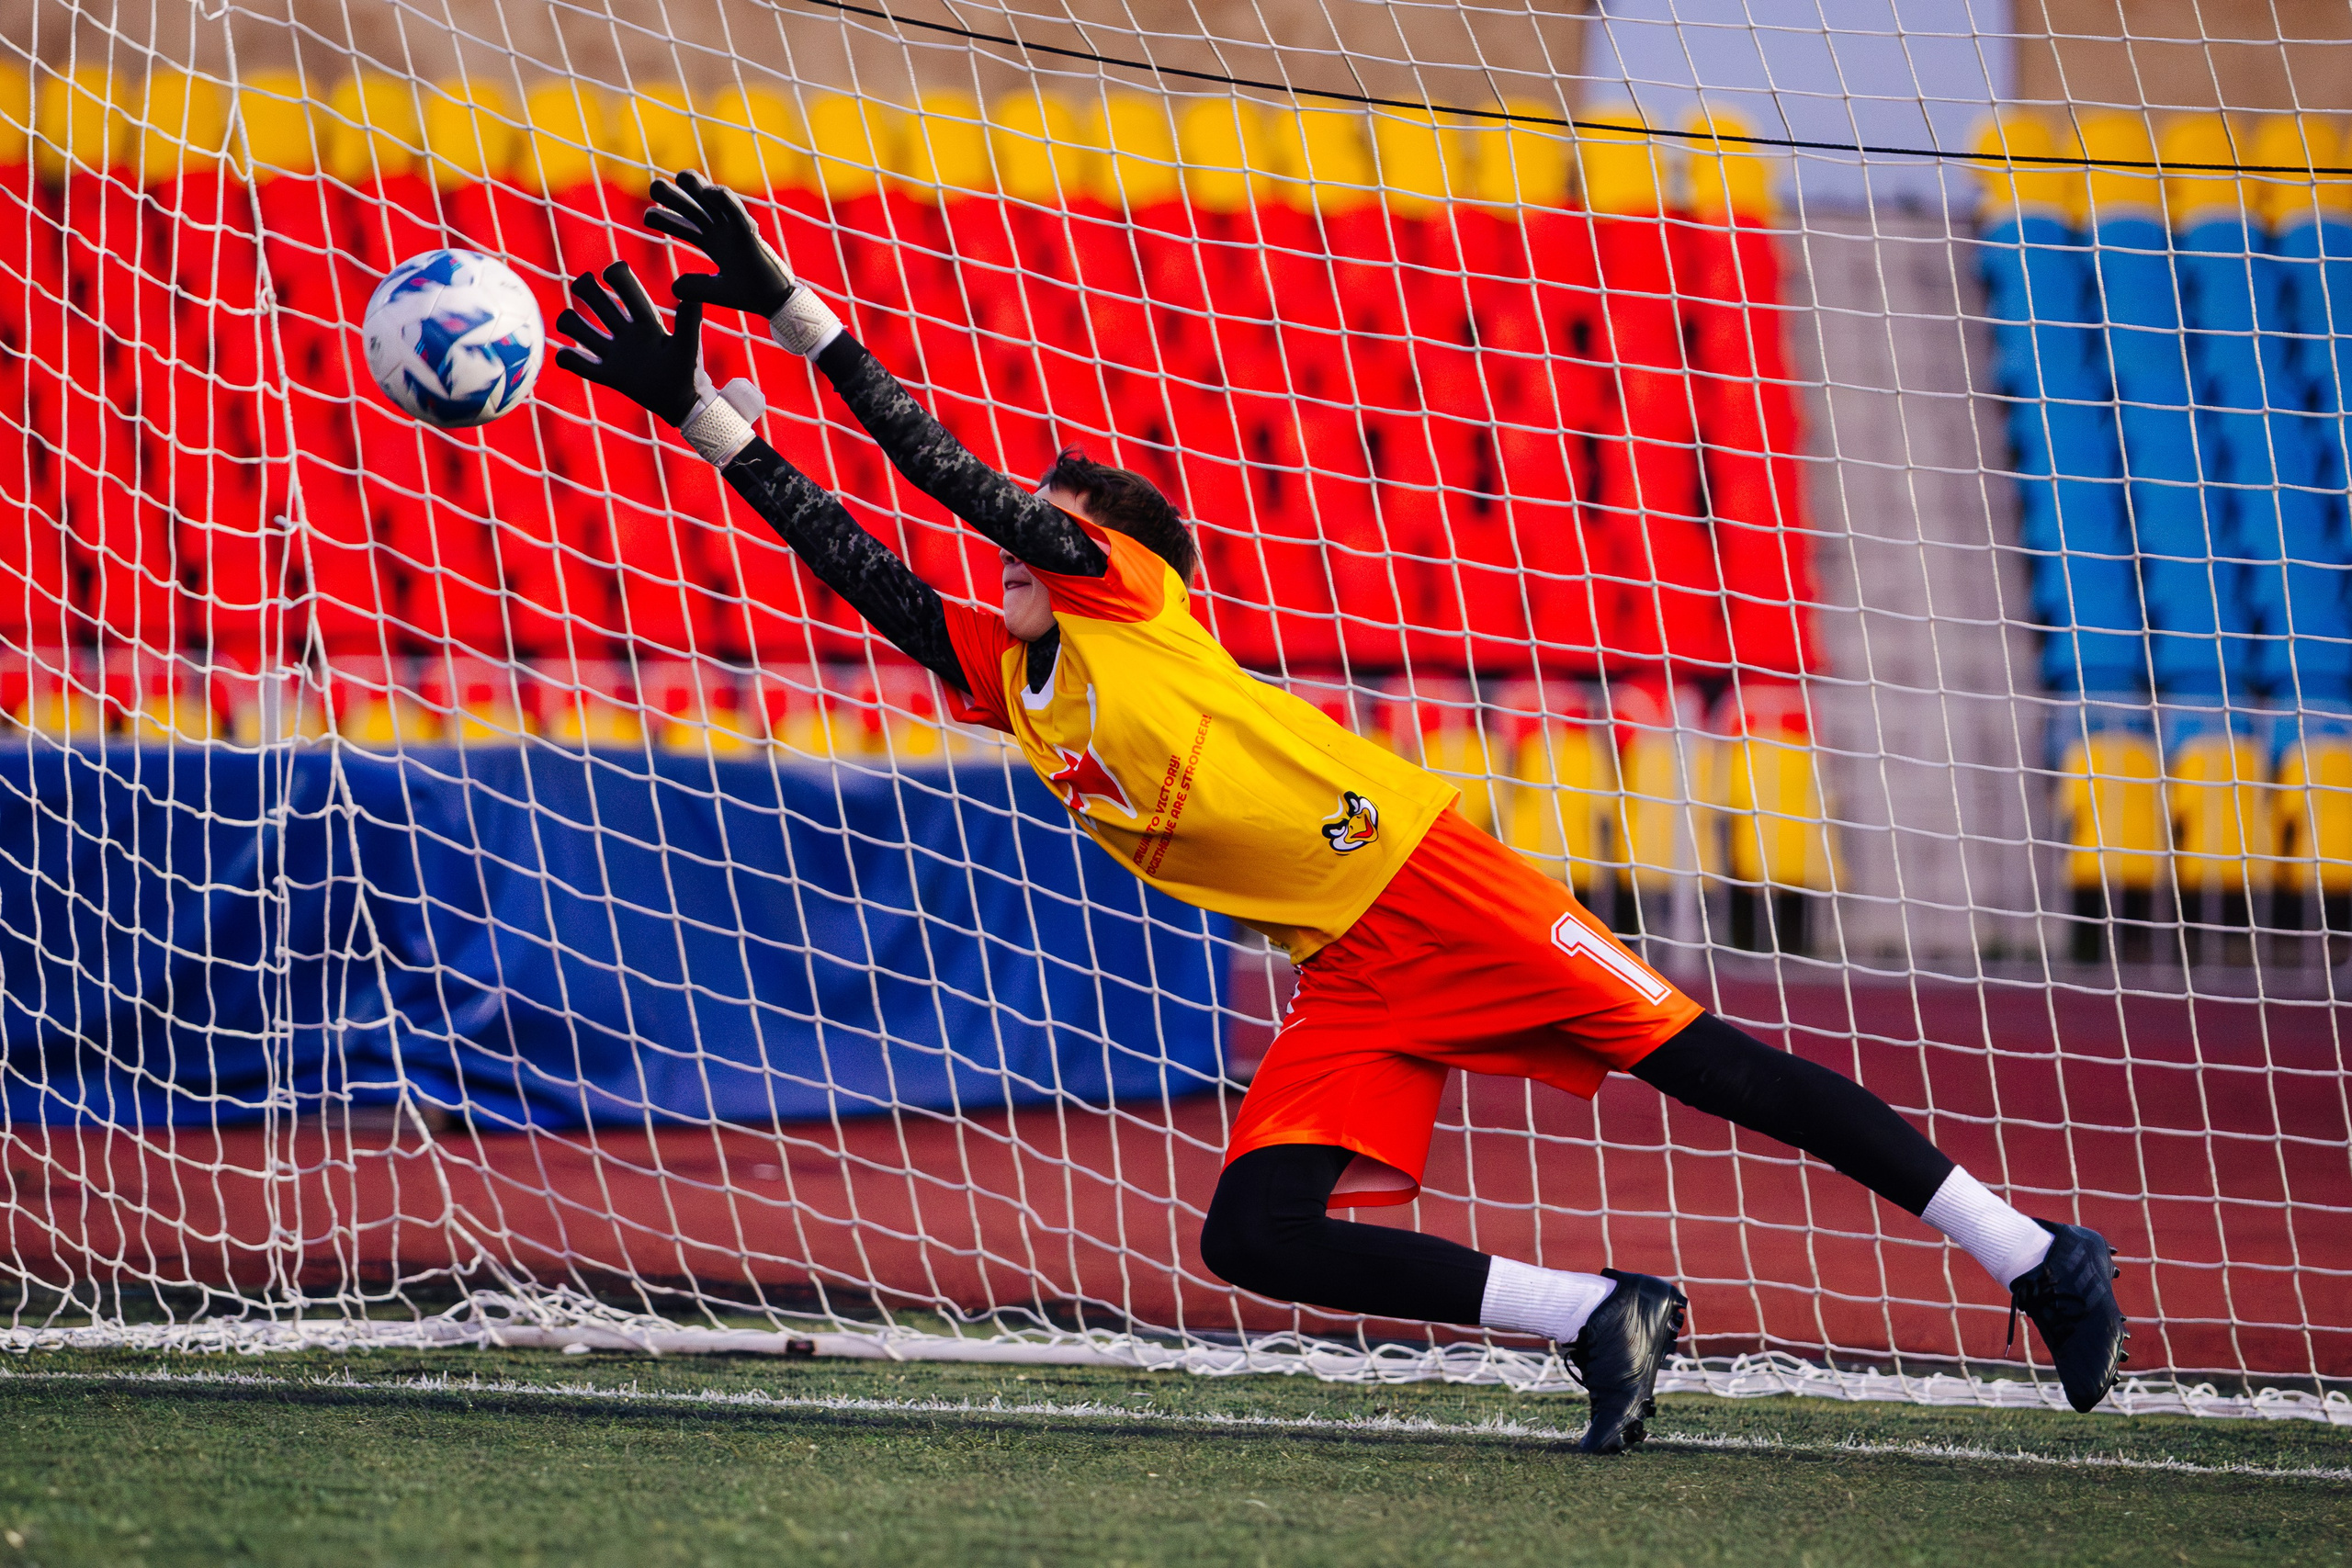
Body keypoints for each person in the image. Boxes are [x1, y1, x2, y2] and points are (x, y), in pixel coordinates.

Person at [552, 171, 2129, 1452]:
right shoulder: (1015, 671)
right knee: (1257, 1234)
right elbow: (866, 563)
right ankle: (1594, 1315)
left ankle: (2031, 1252)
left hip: (1434, 885)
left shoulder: (1130, 601)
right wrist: (697, 410)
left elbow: (945, 478)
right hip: (1350, 963)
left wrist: (790, 309)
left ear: (1105, 553)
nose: (1020, 547)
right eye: (1037, 534)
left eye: (1055, 526)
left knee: (1713, 1067)